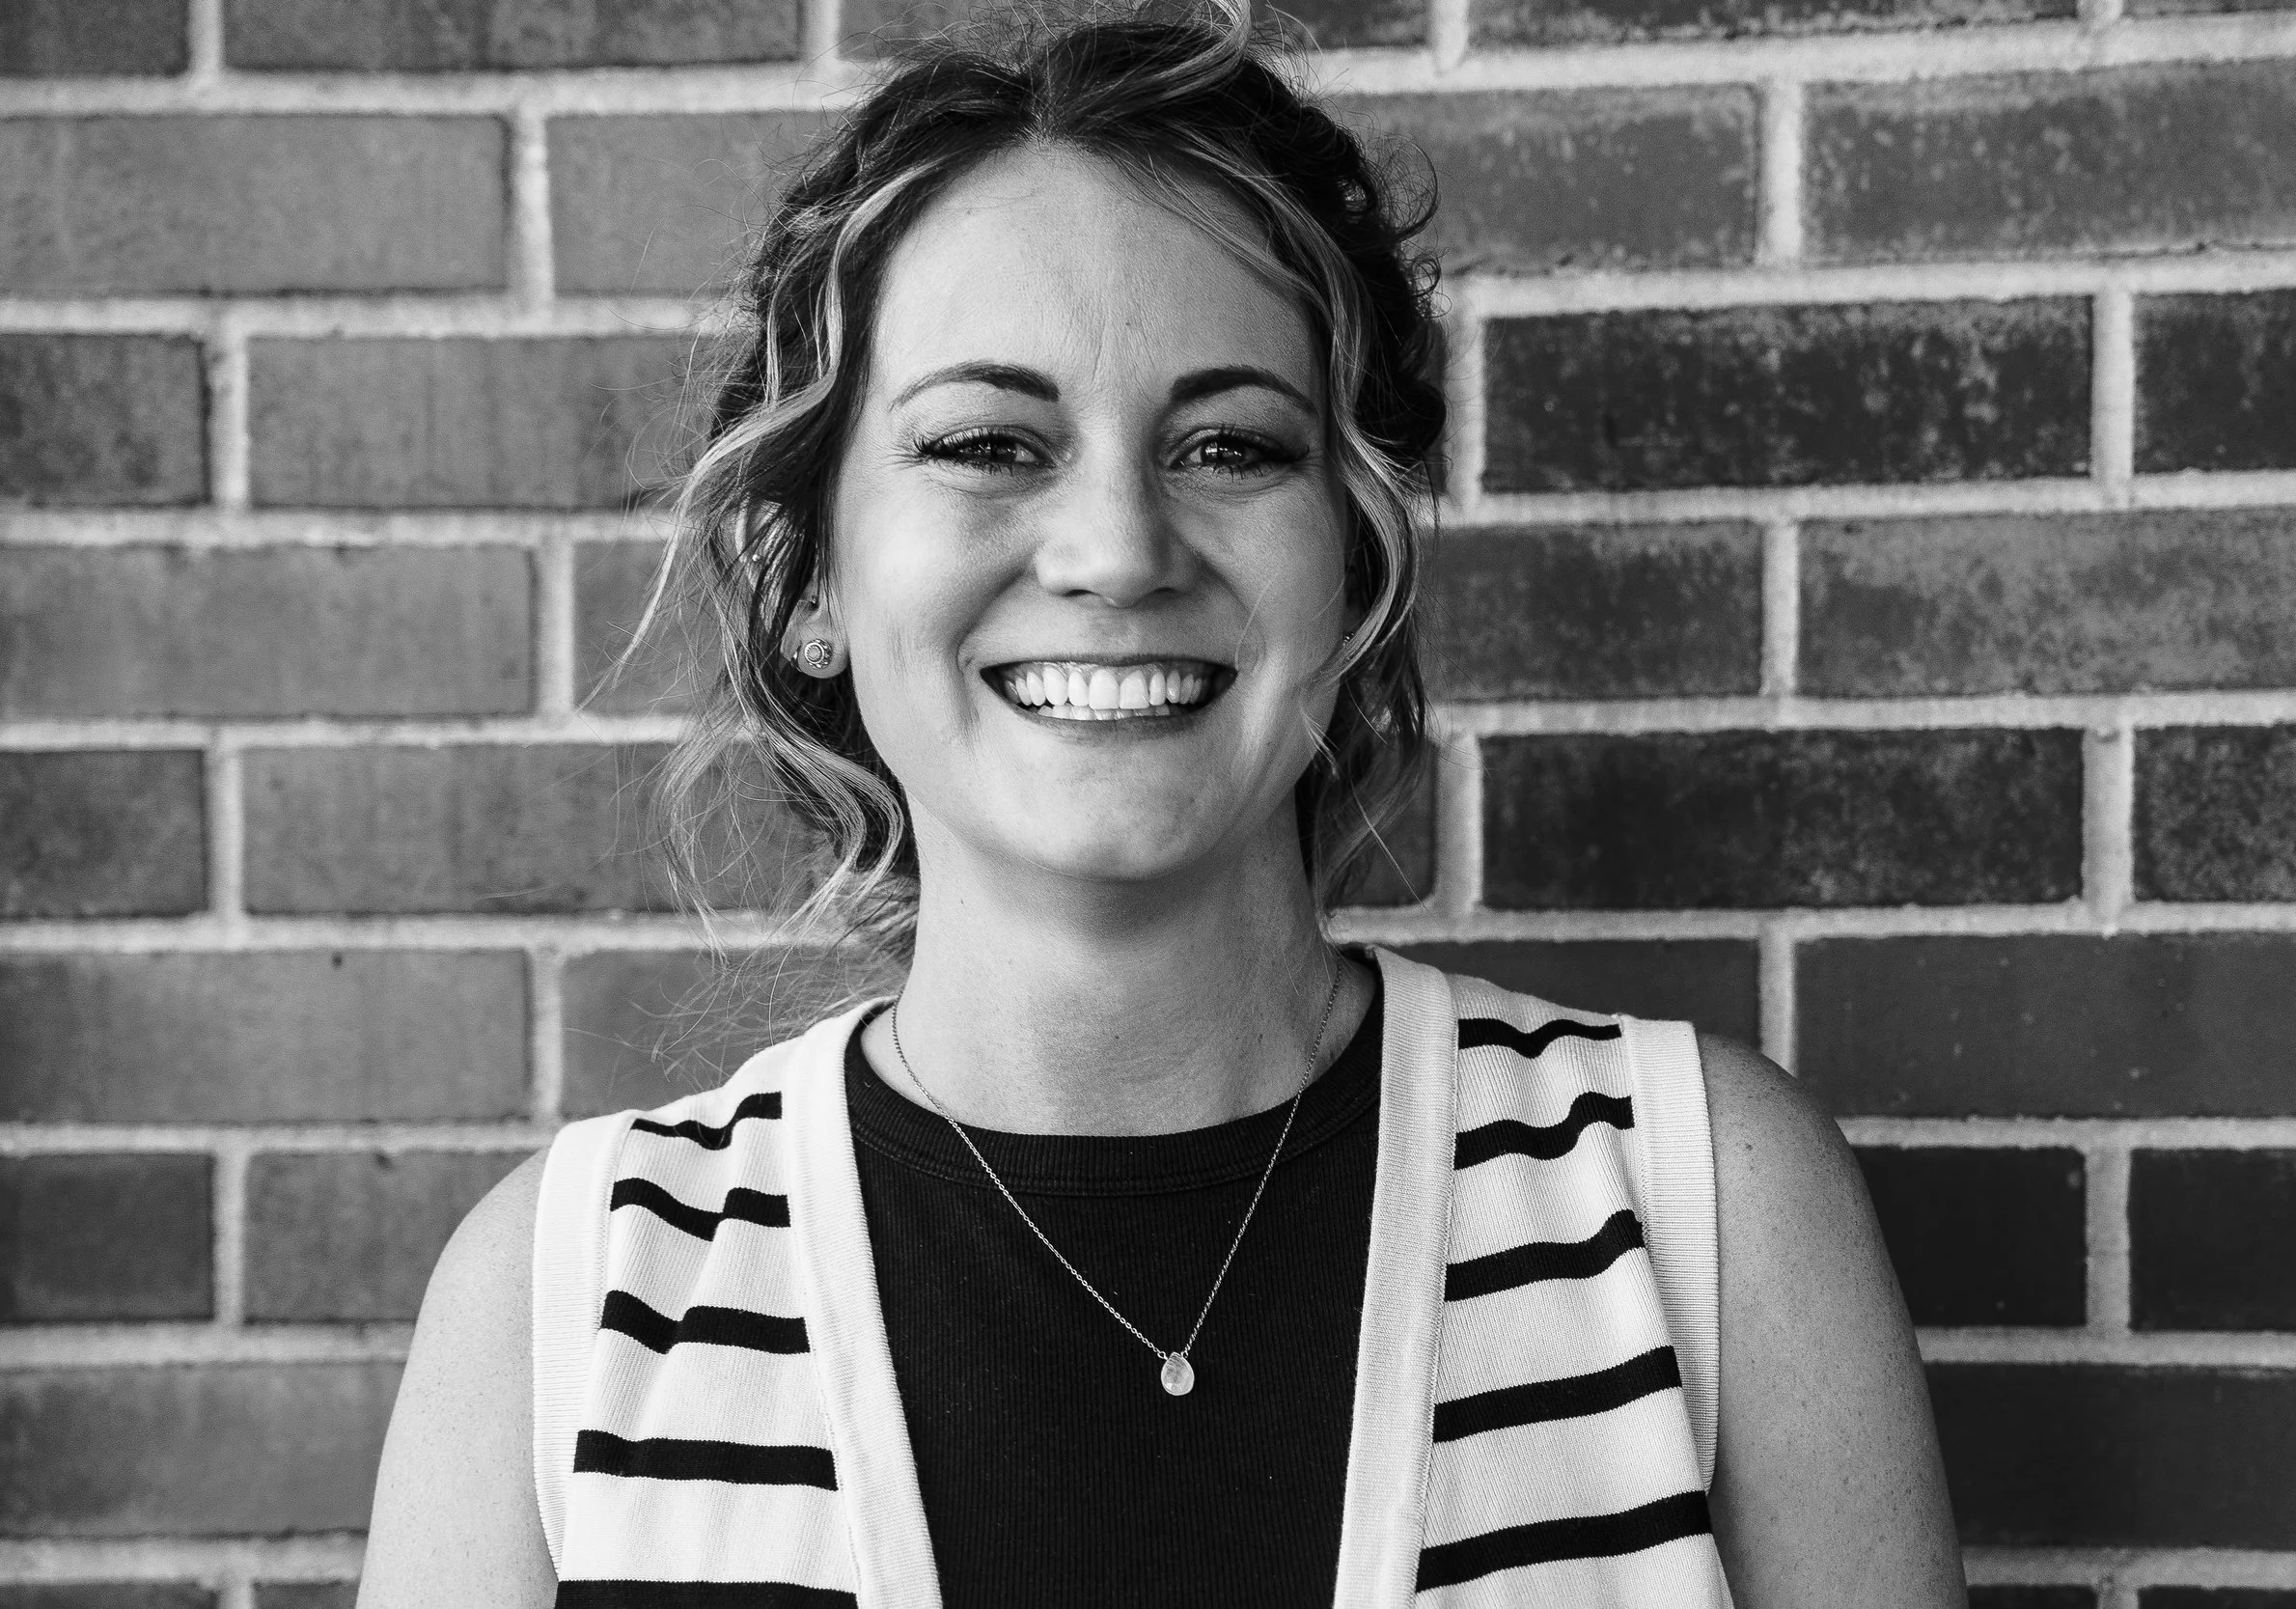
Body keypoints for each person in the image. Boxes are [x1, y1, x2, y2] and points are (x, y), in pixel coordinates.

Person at [356, 6, 1966, 1604]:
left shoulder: (1699, 1210)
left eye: (1228, 446)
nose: (1119, 551)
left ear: (1352, 563)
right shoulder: (567, 1308)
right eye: (989, 442)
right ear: (810, 578)